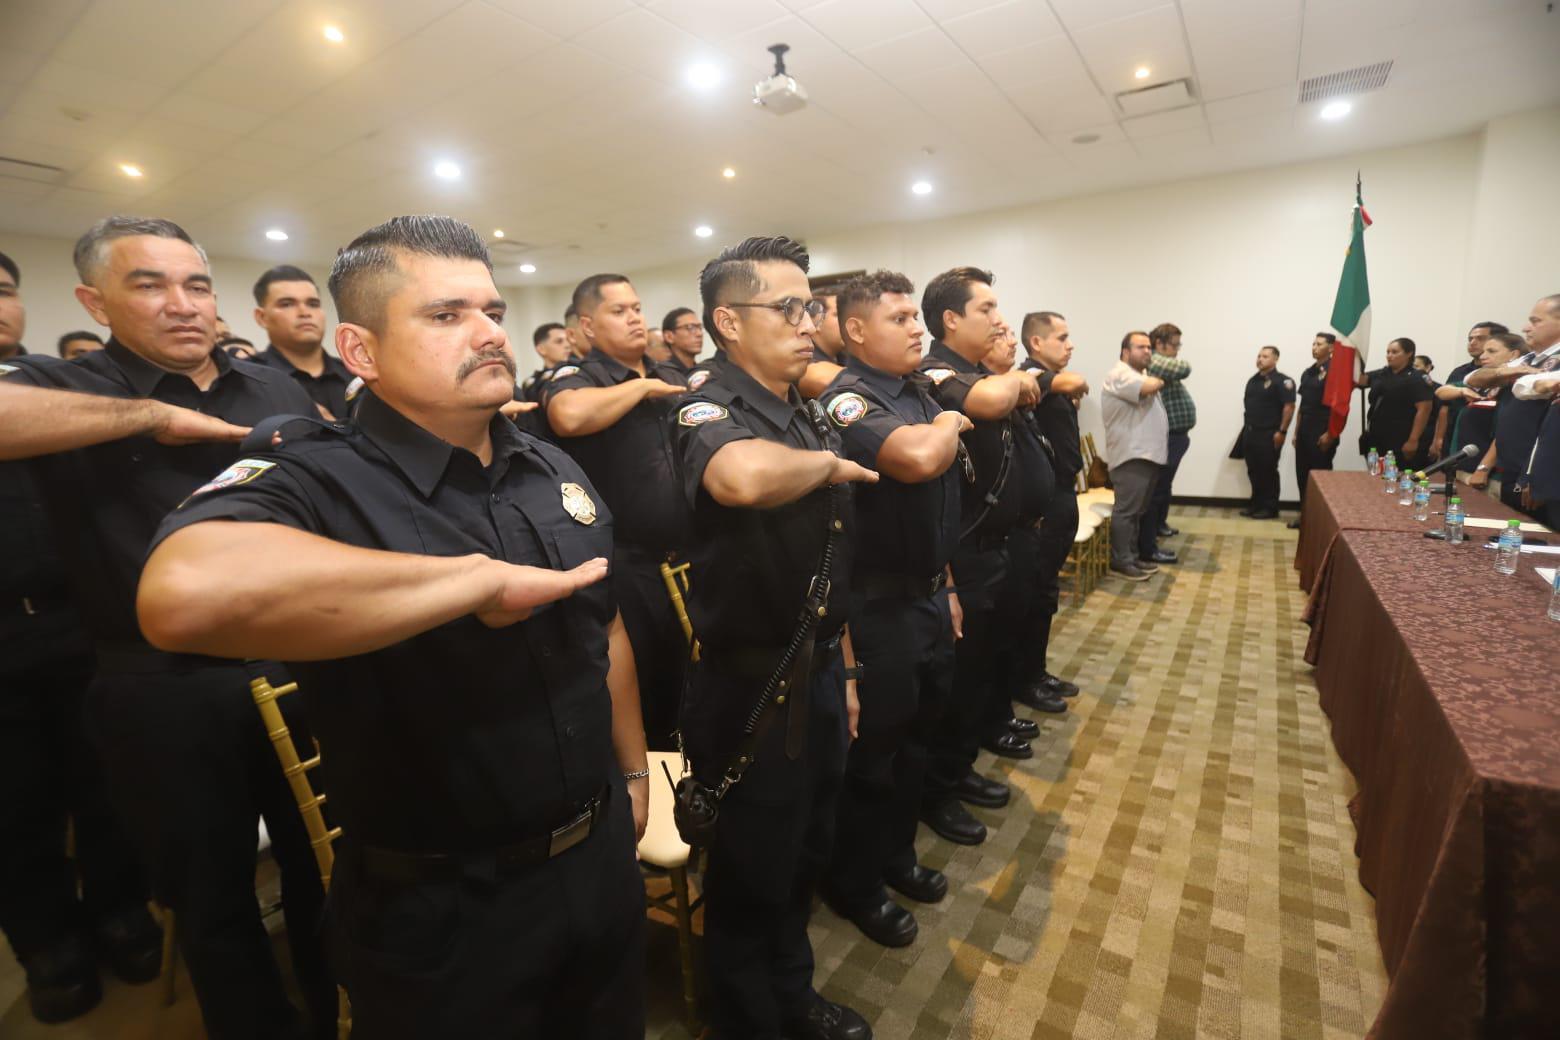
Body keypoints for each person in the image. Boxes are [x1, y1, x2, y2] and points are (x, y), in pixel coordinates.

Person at [137, 215, 650, 1039]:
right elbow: (181, 593)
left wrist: (631, 774)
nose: (486, 333)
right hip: (444, 905)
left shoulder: (550, 463)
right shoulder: (320, 471)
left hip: (595, 860)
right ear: (361, 351)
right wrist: (467, 583)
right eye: (445, 316)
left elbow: (605, 627)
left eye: (491, 311)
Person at [0, 216, 335, 1040]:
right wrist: (148, 419)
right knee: (212, 895)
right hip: (163, 686)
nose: (182, 305)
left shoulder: (273, 388)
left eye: (196, 285)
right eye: (148, 285)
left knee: (327, 869)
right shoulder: (71, 385)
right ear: (94, 300)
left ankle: (340, 1014)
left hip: (298, 661)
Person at [676, 235, 876, 1040]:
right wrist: (828, 467)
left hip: (820, 670)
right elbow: (740, 479)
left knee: (802, 855)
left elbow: (836, 562)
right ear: (728, 320)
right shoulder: (703, 405)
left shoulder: (806, 410)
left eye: (812, 307)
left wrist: (851, 677)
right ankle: (748, 1020)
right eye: (788, 308)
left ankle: (791, 997)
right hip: (749, 687)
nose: (809, 322)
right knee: (750, 872)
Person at [0, 251, 154, 1025]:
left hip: (80, 620)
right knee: (15, 806)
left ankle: (122, 912)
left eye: (3, 291)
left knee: (105, 784)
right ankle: (49, 947)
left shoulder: (63, 384)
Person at [814, 270, 969, 950]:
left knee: (918, 740)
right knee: (875, 756)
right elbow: (912, 463)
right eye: (900, 318)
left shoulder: (913, 391)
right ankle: (855, 882)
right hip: (878, 613)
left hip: (930, 597)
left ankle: (896, 854)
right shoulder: (849, 400)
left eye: (917, 317)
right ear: (855, 331)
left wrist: (952, 586)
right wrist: (950, 420)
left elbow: (943, 510)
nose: (917, 329)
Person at [917, 266, 1052, 846]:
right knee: (957, 684)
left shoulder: (976, 369)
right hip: (962, 555)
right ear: (951, 320)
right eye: (987, 310)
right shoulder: (936, 372)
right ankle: (939, 789)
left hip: (998, 550)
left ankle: (961, 766)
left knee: (983, 671)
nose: (1001, 320)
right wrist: (1017, 380)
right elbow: (991, 400)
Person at [545, 274, 690, 749]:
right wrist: (640, 387)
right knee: (649, 684)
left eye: (636, 307)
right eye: (618, 311)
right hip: (629, 564)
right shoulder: (579, 377)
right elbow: (568, 416)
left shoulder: (671, 374)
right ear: (587, 325)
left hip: (693, 552)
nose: (634, 318)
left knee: (699, 671)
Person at [1018, 310, 1088, 701]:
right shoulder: (1032, 376)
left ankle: (1037, 671)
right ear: (1037, 343)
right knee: (1036, 593)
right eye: (1061, 337)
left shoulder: (1048, 382)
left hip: (1063, 493)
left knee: (1045, 593)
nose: (1070, 344)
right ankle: (1027, 678)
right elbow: (1074, 381)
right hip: (1047, 500)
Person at [1466, 294, 1560, 516]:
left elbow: (1530, 387)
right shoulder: (1529, 360)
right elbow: (1472, 379)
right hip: (1512, 468)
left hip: (1540, 470)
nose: (1526, 328)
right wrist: (1503, 371)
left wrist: (1535, 474)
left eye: (1536, 321)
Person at [1100, 331, 1167, 580]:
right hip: (1131, 455)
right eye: (1141, 347)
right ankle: (1121, 561)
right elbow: (1149, 387)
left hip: (1145, 455)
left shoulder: (1139, 374)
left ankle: (1132, 555)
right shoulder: (1119, 374)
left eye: (1149, 347)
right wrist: (1161, 379)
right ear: (1125, 351)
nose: (1148, 351)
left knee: (1137, 512)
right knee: (1126, 512)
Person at [252, 264, 352, 418]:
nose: (305, 313)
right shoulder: (247, 380)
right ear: (261, 317)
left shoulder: (357, 375)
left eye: (313, 304)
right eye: (287, 304)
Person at [1143, 322, 1190, 561]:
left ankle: (1159, 526)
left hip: (1176, 435)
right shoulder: (1155, 360)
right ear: (1159, 344)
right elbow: (1184, 368)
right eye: (1174, 344)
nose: (1178, 349)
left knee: (1164, 486)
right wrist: (1172, 360)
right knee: (1157, 489)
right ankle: (1149, 546)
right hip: (1167, 437)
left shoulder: (1161, 363)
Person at [1462, 333, 1529, 495]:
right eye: (1484, 351)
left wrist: (1483, 468)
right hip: (1469, 464)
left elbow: (1506, 429)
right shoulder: (1489, 380)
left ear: (1514, 355)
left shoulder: (1520, 384)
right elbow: (1468, 380)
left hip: (1495, 473)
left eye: (1492, 351)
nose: (1483, 356)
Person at [1433, 321, 1508, 463]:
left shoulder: (1505, 375)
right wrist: (1438, 438)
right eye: (1470, 339)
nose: (1472, 342)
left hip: (1485, 443)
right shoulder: (1460, 371)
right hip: (1455, 438)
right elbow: (1444, 405)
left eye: (1480, 338)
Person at [1357, 337, 1432, 470]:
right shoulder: (1383, 373)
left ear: (1409, 354)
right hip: (1376, 435)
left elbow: (1424, 409)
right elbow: (1361, 381)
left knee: (1395, 476)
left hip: (1401, 437)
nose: (1389, 355)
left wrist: (1413, 440)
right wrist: (1354, 358)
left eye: (1394, 352)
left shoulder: (1416, 377)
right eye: (1388, 352)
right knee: (1375, 475)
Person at [1288, 333, 1339, 528]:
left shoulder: (1336, 372)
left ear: (1332, 348)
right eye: (1313, 344)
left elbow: (1339, 406)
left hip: (1323, 427)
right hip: (1306, 428)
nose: (1314, 347)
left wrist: (1331, 433)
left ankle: (1320, 521)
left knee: (1320, 477)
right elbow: (1303, 405)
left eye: (1319, 344)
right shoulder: (1308, 372)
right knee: (1303, 475)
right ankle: (1306, 516)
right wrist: (1296, 432)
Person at [1238, 346, 1294, 520]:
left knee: (1268, 471)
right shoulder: (1253, 380)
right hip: (1251, 432)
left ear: (1275, 359)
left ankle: (1270, 507)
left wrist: (1282, 431)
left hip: (1270, 433)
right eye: (1259, 356)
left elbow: (1289, 407)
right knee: (1253, 470)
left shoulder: (1283, 381)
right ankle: (1256, 504)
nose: (1260, 359)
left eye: (1265, 356)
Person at [519, 321, 571, 402]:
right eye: (559, 341)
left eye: (568, 340)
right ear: (541, 349)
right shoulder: (531, 384)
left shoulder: (581, 371)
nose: (568, 345)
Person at [662, 306, 704, 374]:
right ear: (669, 337)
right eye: (690, 327)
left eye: (700, 327)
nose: (699, 334)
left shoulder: (702, 372)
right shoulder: (662, 374)